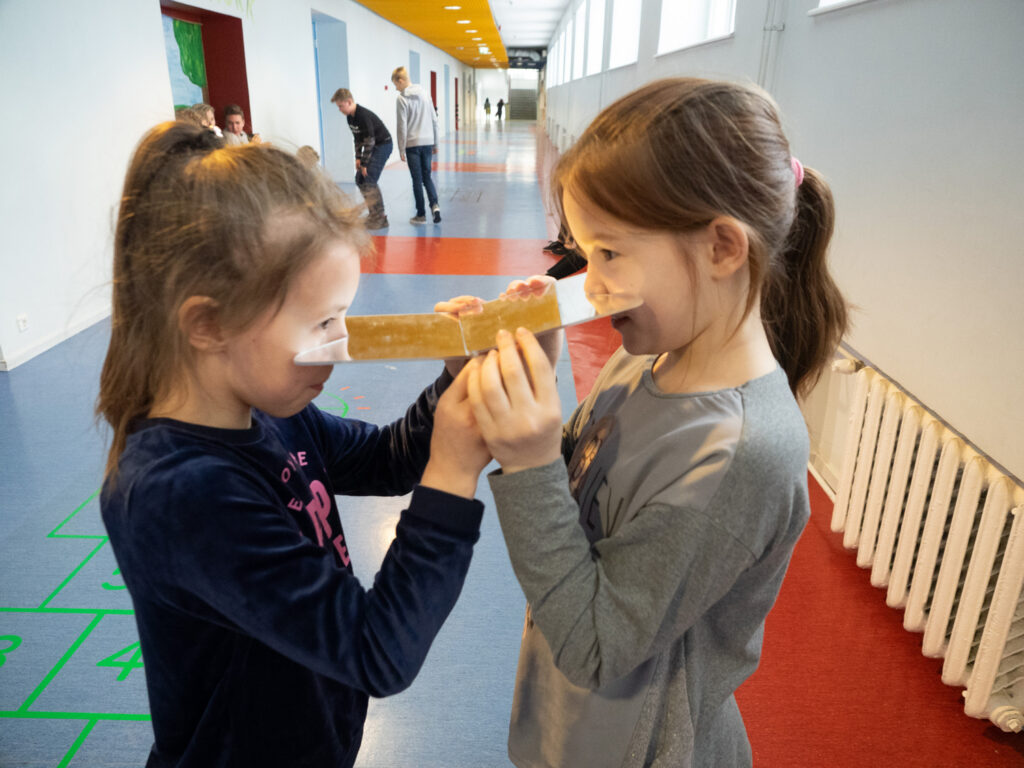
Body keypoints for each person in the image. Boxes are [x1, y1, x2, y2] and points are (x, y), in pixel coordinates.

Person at [461, 77, 848, 767]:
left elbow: (597, 646)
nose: (589, 282)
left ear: (723, 248)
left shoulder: (742, 453)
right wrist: (536, 372)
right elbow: (577, 485)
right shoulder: (646, 361)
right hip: (573, 726)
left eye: (608, 254)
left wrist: (526, 461)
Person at [97, 120, 491, 767]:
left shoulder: (270, 413)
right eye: (321, 323)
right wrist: (453, 474)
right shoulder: (181, 493)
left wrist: (453, 381)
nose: (341, 345)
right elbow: (378, 650)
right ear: (209, 323)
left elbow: (385, 458)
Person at [332, 87, 393, 230]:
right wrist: (358, 158)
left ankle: (381, 217)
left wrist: (365, 163)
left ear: (349, 101)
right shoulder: (350, 118)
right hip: (372, 146)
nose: (339, 109)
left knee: (369, 179)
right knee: (359, 179)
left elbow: (370, 140)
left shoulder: (362, 115)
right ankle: (373, 214)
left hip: (383, 145)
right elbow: (358, 139)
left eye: (341, 106)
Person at [391, 66, 440, 224]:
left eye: (396, 85)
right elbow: (434, 119)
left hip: (412, 145)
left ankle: (421, 214)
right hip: (427, 143)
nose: (396, 89)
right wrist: (436, 142)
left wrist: (401, 148)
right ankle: (435, 206)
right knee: (427, 177)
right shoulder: (425, 93)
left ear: (401, 80)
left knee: (416, 180)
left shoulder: (401, 98)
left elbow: (402, 125)